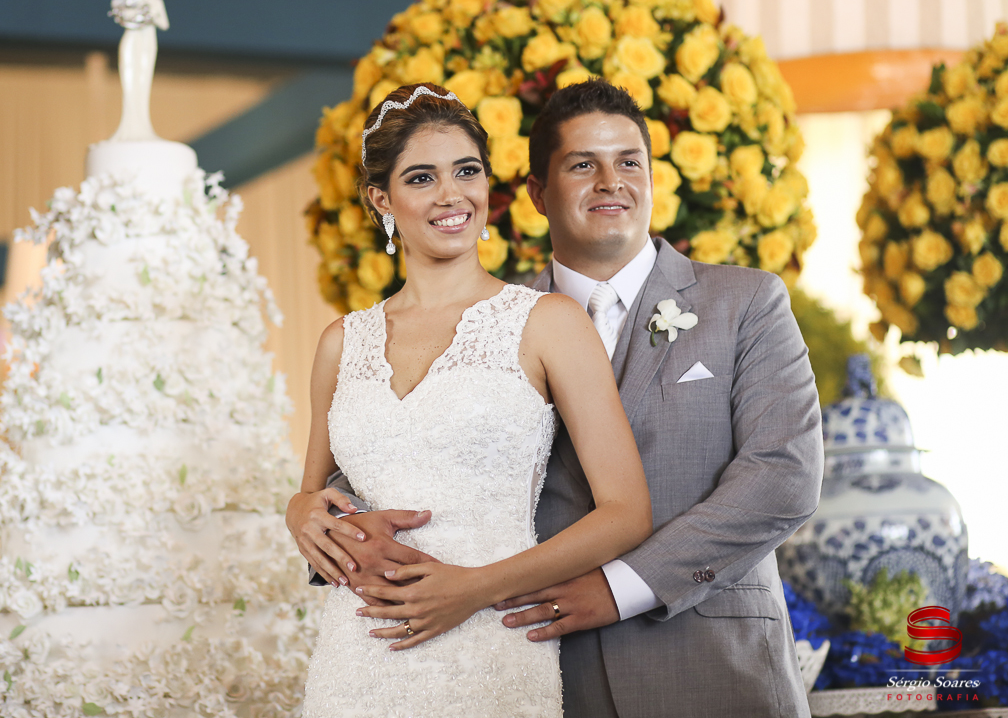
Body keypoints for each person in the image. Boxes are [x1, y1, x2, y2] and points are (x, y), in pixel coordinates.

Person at [292, 79, 824, 717]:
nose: (611, 182)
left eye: (629, 162)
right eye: (582, 165)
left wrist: (620, 587)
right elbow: (379, 469)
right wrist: (307, 513)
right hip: (536, 654)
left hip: (705, 661)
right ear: (536, 194)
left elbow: (784, 477)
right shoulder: (498, 311)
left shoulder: (745, 302)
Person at [290, 83, 652, 718]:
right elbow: (318, 498)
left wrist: (474, 588)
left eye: (466, 171)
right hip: (358, 655)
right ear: (382, 200)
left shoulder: (548, 322)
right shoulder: (340, 342)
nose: (451, 195)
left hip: (492, 646)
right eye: (421, 178)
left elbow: (627, 513)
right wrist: (299, 513)